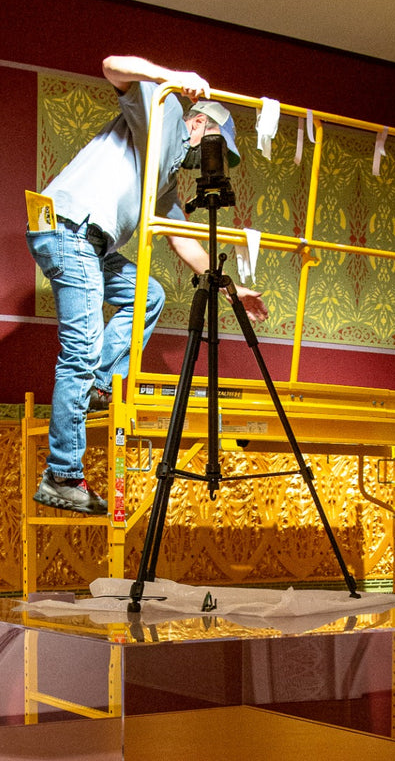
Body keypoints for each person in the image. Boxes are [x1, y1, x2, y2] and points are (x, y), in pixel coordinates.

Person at [26, 55, 268, 515]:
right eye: (214, 147)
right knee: (79, 349)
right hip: (69, 227)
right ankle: (61, 475)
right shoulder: (165, 111)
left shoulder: (165, 181)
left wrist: (231, 289)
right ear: (198, 125)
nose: (208, 162)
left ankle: (99, 384)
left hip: (92, 243)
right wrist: (170, 78)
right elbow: (112, 66)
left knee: (148, 294)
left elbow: (185, 244)